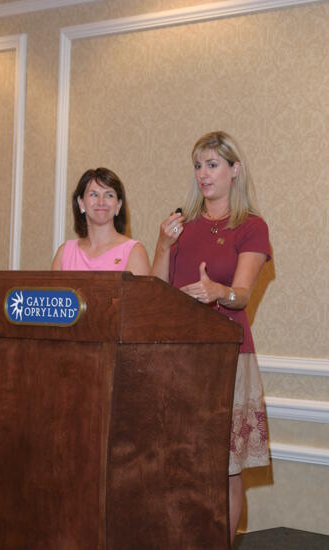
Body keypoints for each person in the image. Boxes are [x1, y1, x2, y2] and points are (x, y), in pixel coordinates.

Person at [151, 131, 270, 543]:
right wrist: (164, 244)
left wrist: (217, 292)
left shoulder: (251, 227)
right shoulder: (181, 226)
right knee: (179, 462)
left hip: (227, 359)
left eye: (213, 165)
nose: (203, 174)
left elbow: (241, 294)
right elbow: (156, 293)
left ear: (234, 170)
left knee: (225, 466)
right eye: (198, 165)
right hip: (179, 358)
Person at [51, 167, 150, 274]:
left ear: (118, 205)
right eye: (94, 194)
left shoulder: (134, 251)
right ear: (81, 203)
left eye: (109, 195)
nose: (101, 202)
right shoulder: (64, 253)